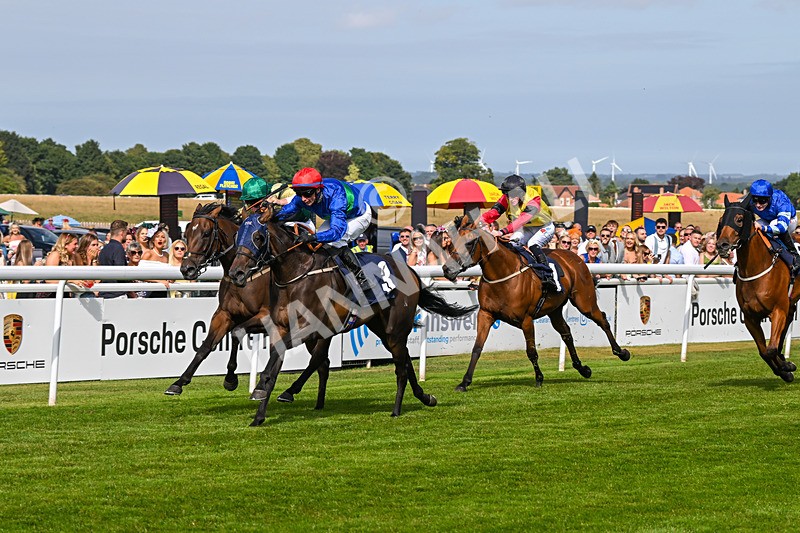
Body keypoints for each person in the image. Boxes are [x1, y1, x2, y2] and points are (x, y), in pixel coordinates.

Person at [275, 167, 374, 290]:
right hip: (334, 216)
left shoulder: (336, 196)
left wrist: (313, 237)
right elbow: (288, 210)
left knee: (335, 241)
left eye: (307, 194)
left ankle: (361, 277)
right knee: (318, 245)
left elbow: (337, 232)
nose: (304, 198)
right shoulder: (304, 195)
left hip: (359, 216)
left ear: (318, 190)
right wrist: (271, 217)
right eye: (299, 194)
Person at [480, 174, 555, 250]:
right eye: (508, 195)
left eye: (513, 195)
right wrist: (481, 221)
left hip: (544, 227)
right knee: (511, 245)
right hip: (527, 228)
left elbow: (521, 221)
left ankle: (544, 262)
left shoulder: (533, 199)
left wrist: (501, 232)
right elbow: (494, 212)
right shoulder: (506, 197)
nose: (510, 199)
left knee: (532, 245)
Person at [749, 178, 800, 276]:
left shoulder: (781, 202)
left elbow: (781, 227)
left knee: (773, 225)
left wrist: (763, 228)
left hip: (788, 221)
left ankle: (795, 255)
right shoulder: (750, 201)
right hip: (767, 220)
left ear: (769, 198)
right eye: (755, 200)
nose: (758, 205)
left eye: (762, 201)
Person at [98, 219, 129, 298]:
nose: (126, 235)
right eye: (126, 232)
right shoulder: (118, 248)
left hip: (105, 292)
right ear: (122, 232)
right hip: (117, 294)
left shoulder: (104, 248)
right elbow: (121, 273)